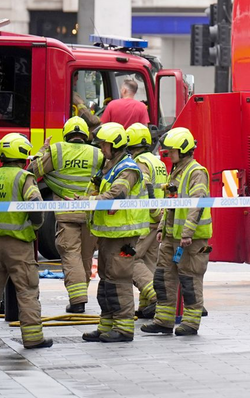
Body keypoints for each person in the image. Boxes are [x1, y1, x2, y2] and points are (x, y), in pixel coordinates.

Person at [0, 134, 53, 350]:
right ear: (23, 155)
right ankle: (33, 337)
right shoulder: (23, 178)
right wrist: (34, 227)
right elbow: (36, 205)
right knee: (27, 291)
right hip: (19, 246)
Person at [28, 116, 103, 313]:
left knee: (71, 256)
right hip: (90, 214)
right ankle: (80, 296)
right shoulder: (98, 154)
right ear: (86, 134)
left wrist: (42, 150)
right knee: (86, 257)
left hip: (67, 214)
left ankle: (77, 300)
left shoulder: (57, 150)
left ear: (66, 133)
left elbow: (31, 172)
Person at [142, 127, 211, 336]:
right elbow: (172, 203)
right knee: (163, 277)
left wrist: (188, 232)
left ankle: (190, 323)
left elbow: (197, 204)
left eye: (171, 151)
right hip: (172, 237)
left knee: (190, 280)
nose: (168, 154)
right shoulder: (177, 170)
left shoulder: (196, 172)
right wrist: (163, 228)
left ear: (183, 150)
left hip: (191, 240)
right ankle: (163, 320)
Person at [84, 123, 149, 343]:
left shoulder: (127, 169)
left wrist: (88, 201)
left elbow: (116, 194)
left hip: (123, 236)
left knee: (119, 280)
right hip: (108, 235)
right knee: (106, 281)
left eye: (104, 144)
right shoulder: (110, 166)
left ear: (116, 145)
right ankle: (106, 326)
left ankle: (124, 328)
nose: (102, 148)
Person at [125, 123, 167, 320]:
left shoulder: (140, 162)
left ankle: (157, 297)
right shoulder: (157, 161)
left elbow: (147, 187)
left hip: (144, 219)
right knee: (149, 262)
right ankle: (146, 307)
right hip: (155, 220)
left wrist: (154, 211)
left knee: (129, 260)